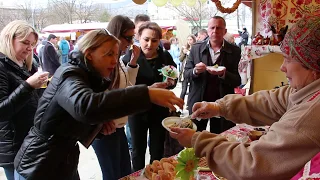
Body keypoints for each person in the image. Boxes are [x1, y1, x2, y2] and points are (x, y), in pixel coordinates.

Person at [14, 29, 184, 179]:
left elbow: (66, 118)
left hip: (62, 161)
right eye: (108, 54)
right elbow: (86, 106)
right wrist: (146, 93)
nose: (114, 60)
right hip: (38, 166)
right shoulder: (70, 74)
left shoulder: (87, 76)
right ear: (89, 54)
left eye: (116, 55)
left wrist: (96, 127)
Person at [170, 14, 320, 180]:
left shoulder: (310, 113)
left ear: (313, 66)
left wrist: (197, 141)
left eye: (288, 59)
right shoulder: (306, 88)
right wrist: (219, 107)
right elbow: (270, 101)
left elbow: (254, 163)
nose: (282, 67)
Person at [122, 22, 178, 171]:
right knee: (137, 150)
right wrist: (147, 90)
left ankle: (156, 174)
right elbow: (124, 88)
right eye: (146, 39)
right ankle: (138, 175)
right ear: (138, 38)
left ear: (159, 40)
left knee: (157, 148)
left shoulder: (165, 57)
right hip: (137, 111)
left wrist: (170, 83)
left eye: (154, 40)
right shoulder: (129, 58)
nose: (149, 44)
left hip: (159, 110)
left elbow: (173, 76)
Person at [91, 15, 141, 179]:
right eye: (127, 38)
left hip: (117, 126)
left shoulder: (117, 58)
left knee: (124, 173)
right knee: (113, 175)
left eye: (132, 37)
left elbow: (126, 87)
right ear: (115, 34)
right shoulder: (105, 60)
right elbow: (98, 96)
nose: (130, 42)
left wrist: (133, 63)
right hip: (105, 129)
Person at [0, 20, 48, 180]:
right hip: (13, 147)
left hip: (30, 143)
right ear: (9, 38)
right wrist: (28, 86)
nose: (30, 48)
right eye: (25, 43)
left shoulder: (27, 64)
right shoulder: (1, 66)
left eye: (33, 44)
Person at [184, 16, 241, 134]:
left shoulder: (234, 51)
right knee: (195, 137)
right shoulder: (196, 48)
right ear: (208, 30)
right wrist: (195, 71)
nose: (215, 31)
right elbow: (186, 74)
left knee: (221, 139)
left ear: (225, 31)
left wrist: (224, 74)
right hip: (198, 100)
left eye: (219, 28)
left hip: (222, 103)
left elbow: (237, 80)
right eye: (212, 27)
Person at [179, 34, 196, 100]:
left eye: (190, 39)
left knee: (192, 90)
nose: (189, 41)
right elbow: (180, 59)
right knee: (183, 91)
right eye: (188, 39)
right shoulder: (184, 48)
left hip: (192, 71)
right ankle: (180, 104)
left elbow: (195, 59)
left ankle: (189, 104)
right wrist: (184, 53)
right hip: (184, 71)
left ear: (194, 40)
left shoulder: (195, 48)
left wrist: (188, 53)